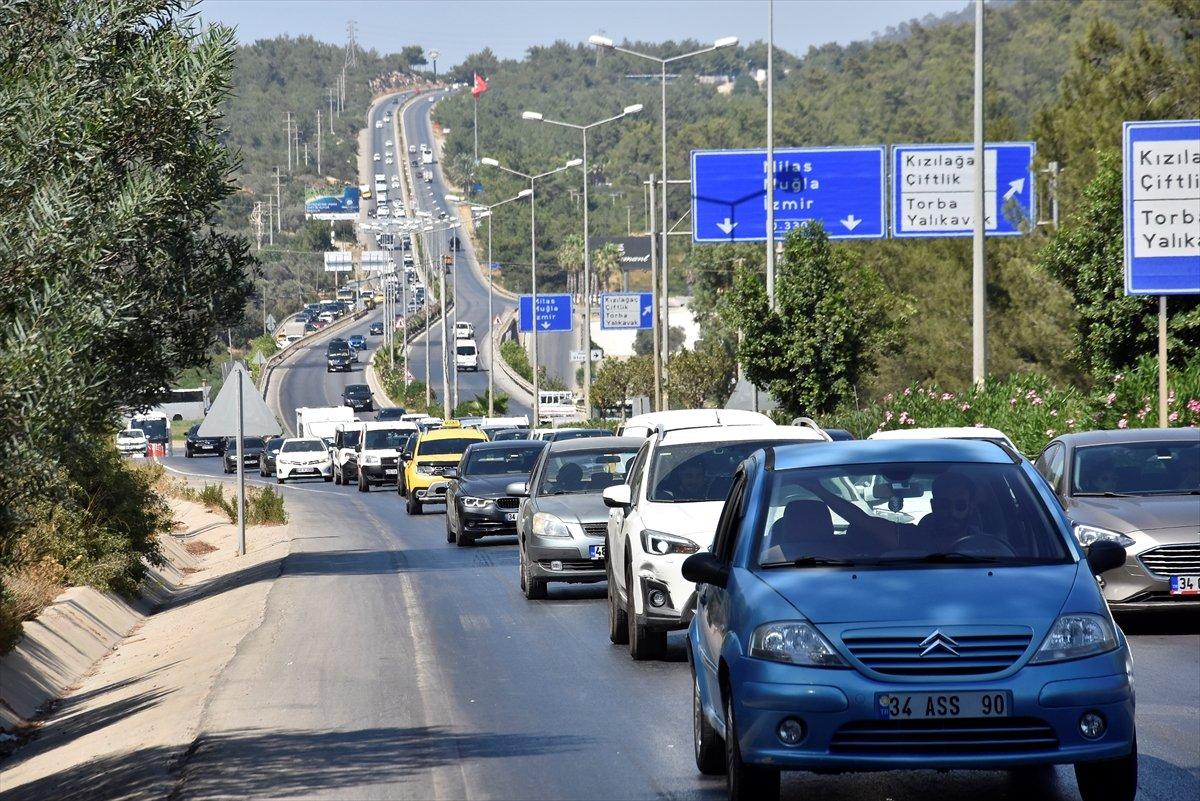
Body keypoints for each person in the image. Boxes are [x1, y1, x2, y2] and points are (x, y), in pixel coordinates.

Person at [917, 471, 984, 550]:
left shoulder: (984, 546)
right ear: (933, 506)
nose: (952, 512)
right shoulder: (912, 539)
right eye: (944, 505)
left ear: (971, 507)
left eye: (960, 505)